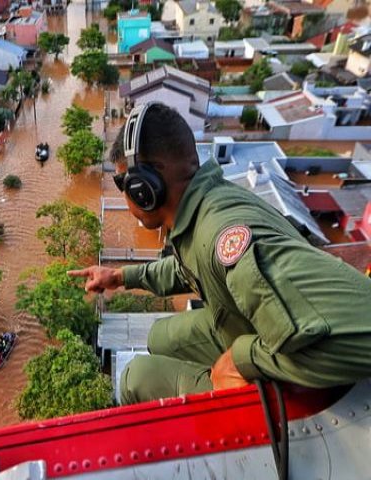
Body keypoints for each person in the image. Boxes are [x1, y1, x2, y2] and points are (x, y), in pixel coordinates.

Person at [69, 102, 371, 405]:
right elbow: (190, 265)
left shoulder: (223, 237)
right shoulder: (201, 209)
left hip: (288, 357)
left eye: (123, 182)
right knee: (159, 337)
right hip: (247, 327)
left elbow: (358, 336)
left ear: (144, 186)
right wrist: (122, 275)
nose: (125, 192)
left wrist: (242, 360)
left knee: (137, 377)